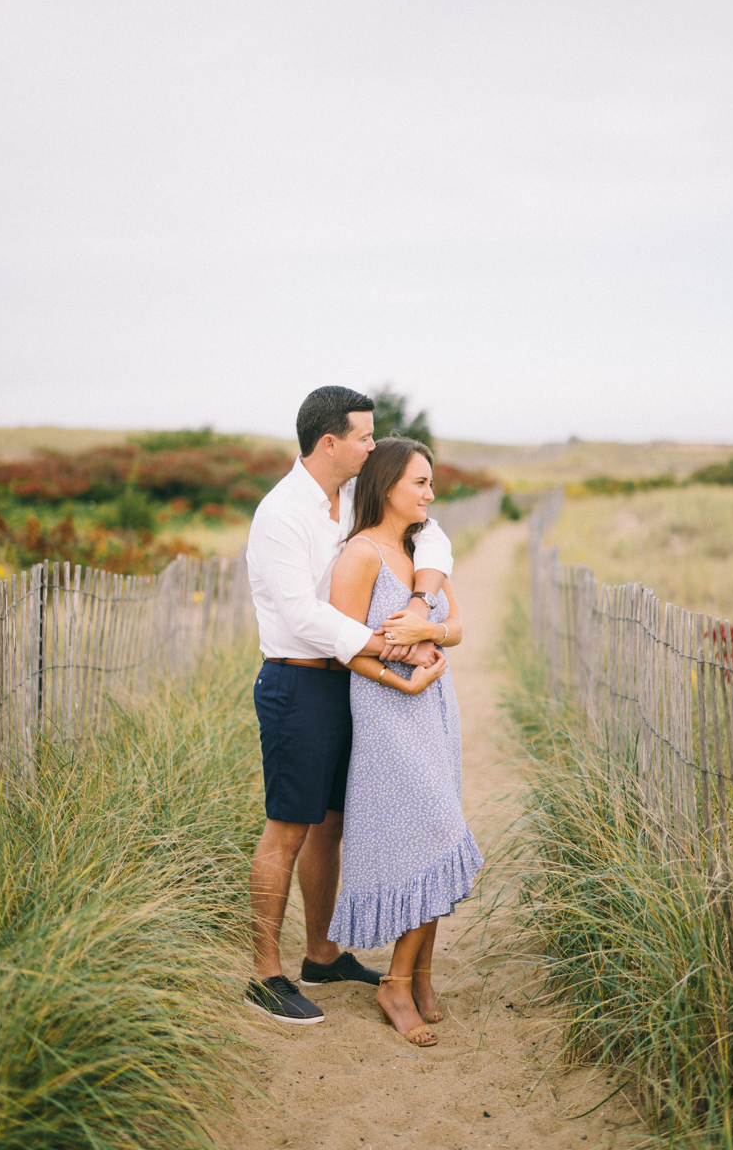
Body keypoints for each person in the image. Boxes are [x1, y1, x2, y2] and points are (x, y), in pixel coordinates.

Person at [244, 386, 453, 1025]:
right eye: (363, 436)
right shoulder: (282, 513)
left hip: (348, 685)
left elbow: (432, 537)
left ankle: (321, 954)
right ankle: (264, 974)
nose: (372, 444)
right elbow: (301, 614)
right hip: (297, 683)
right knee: (289, 826)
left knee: (332, 823)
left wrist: (419, 605)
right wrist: (392, 646)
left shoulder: (349, 500)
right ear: (328, 441)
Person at [328, 438, 483, 1047]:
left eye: (431, 483)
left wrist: (429, 629)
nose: (430, 493)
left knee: (435, 846)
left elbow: (458, 627)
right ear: (388, 484)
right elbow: (345, 649)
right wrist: (405, 679)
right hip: (391, 712)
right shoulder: (360, 555)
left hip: (435, 710)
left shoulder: (421, 548)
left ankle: (419, 977)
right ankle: (394, 982)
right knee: (438, 836)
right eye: (420, 483)